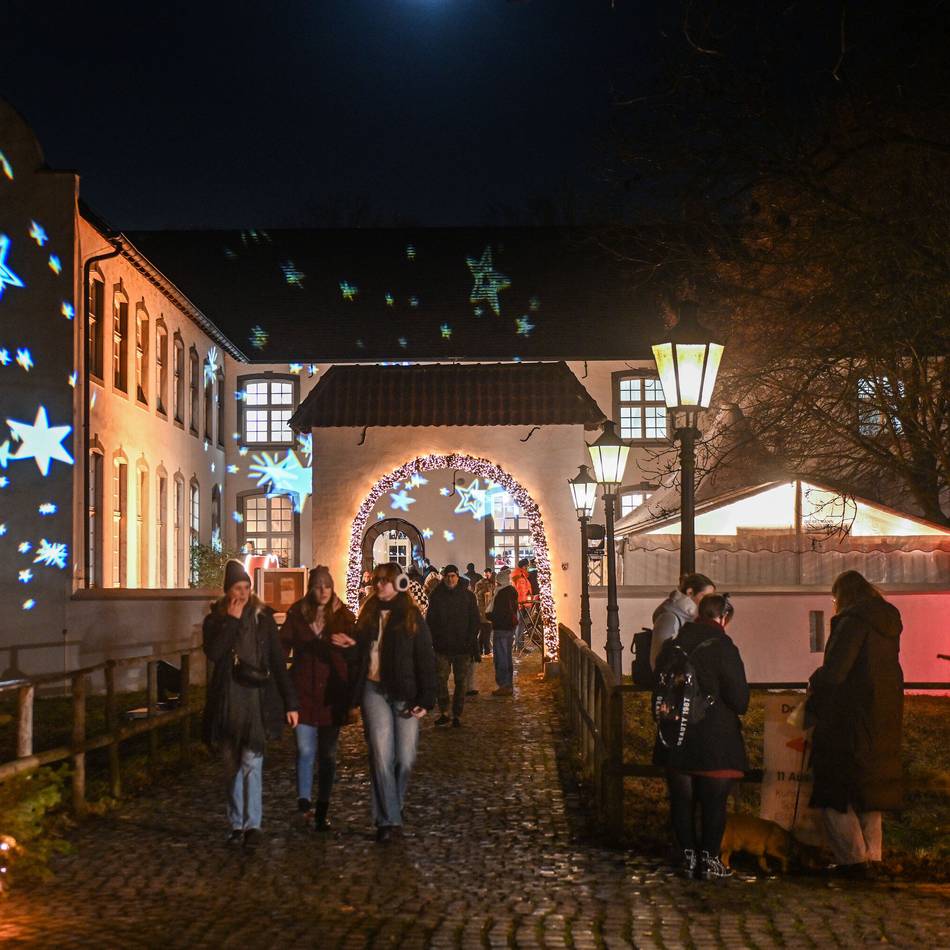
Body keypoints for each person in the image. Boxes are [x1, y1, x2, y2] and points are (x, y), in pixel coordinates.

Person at [806, 571, 903, 878]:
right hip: (881, 721)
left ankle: (853, 860)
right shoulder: (887, 624)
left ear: (842, 596)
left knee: (835, 792)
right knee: (869, 792)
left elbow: (835, 673)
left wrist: (814, 688)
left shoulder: (851, 622)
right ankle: (873, 857)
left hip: (847, 721)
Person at [202, 559, 299, 851]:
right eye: (236, 588)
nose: (242, 594)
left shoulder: (263, 619)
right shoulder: (215, 620)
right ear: (227, 591)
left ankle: (253, 824)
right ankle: (236, 823)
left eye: (245, 587)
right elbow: (215, 654)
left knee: (252, 763)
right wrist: (231, 621)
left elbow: (277, 664)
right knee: (231, 765)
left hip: (256, 699)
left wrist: (290, 702)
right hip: (227, 700)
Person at [652, 594, 748, 880]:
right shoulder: (723, 647)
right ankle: (709, 860)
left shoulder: (673, 645)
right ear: (723, 618)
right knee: (714, 804)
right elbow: (740, 700)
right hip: (714, 739)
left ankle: (687, 857)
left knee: (681, 802)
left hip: (676, 735)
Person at [351, 563, 437, 843]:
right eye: (376, 580)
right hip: (373, 690)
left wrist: (426, 697)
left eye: (385, 581)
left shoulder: (411, 616)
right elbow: (357, 655)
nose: (379, 585)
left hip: (405, 693)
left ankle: (392, 805)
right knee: (381, 755)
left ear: (397, 583)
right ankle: (388, 820)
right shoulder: (366, 615)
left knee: (406, 757)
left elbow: (425, 658)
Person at [280, 565, 356, 830]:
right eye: (318, 586)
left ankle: (322, 807)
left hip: (331, 695)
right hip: (302, 691)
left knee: (328, 754)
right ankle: (304, 804)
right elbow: (282, 645)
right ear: (311, 587)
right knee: (305, 749)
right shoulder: (298, 614)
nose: (323, 591)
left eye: (327, 585)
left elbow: (357, 650)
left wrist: (350, 646)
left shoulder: (343, 615)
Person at [426, 564, 481, 726]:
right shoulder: (436, 596)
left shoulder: (468, 596)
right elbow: (430, 621)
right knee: (441, 680)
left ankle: (457, 714)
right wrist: (434, 640)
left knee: (461, 681)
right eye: (447, 576)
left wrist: (470, 640)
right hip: (442, 647)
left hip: (462, 647)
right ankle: (444, 711)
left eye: (453, 576)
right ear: (444, 578)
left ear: (457, 577)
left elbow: (474, 620)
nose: (450, 579)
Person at [649, 572, 717, 670]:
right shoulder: (669, 617)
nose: (707, 603)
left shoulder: (689, 617)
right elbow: (659, 659)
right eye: (704, 597)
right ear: (690, 592)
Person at [487, 577, 519, 696]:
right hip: (509, 628)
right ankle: (508, 684)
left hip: (501, 628)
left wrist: (489, 616)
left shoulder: (501, 594)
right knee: (507, 656)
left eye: (498, 582)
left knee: (501, 657)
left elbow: (498, 613)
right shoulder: (512, 592)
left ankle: (504, 685)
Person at [473, 568, 496, 656]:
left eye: (488, 574)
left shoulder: (492, 583)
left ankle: (480, 650)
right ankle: (487, 650)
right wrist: (484, 592)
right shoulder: (480, 583)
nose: (486, 576)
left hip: (489, 609)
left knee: (484, 631)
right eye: (485, 574)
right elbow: (477, 595)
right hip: (483, 610)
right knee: (486, 630)